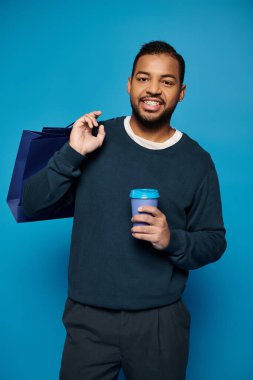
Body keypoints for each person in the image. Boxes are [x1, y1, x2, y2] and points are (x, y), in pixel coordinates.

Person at [22, 40, 227, 380]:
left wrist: (171, 240)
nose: (154, 89)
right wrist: (72, 154)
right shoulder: (93, 137)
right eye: (144, 78)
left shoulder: (197, 162)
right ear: (129, 84)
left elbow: (214, 241)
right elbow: (32, 202)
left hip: (160, 324)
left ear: (182, 92)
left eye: (167, 81)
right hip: (88, 319)